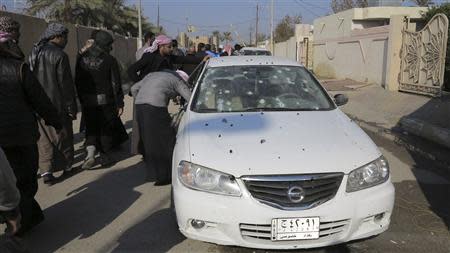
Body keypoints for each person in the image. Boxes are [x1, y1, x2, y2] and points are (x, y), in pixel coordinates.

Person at [0, 16, 62, 236]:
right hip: (22, 137)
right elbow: (40, 100)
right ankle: (19, 225)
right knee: (25, 181)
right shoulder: (19, 68)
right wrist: (56, 122)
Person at [127, 35, 207, 155]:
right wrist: (142, 83)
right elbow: (131, 70)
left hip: (159, 96)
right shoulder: (149, 57)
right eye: (169, 47)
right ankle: (144, 150)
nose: (171, 49)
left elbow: (183, 60)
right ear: (161, 46)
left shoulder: (168, 57)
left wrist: (202, 59)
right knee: (143, 125)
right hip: (144, 93)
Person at [29, 23, 78, 184]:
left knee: (43, 140)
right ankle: (68, 167)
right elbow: (65, 85)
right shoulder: (59, 55)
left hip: (38, 105)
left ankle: (46, 172)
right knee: (63, 137)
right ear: (57, 36)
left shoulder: (34, 52)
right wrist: (71, 108)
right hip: (57, 106)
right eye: (65, 37)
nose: (66, 40)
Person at [75, 30, 128, 170]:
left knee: (91, 128)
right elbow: (115, 83)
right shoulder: (109, 60)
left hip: (87, 101)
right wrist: (119, 102)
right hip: (106, 101)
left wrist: (82, 99)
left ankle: (90, 154)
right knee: (105, 128)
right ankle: (105, 157)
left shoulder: (81, 58)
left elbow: (77, 81)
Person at [131, 70, 191, 185]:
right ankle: (166, 175)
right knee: (167, 140)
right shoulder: (177, 80)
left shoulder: (151, 75)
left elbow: (133, 88)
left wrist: (142, 100)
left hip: (139, 107)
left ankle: (156, 174)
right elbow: (189, 98)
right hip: (155, 109)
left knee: (150, 141)